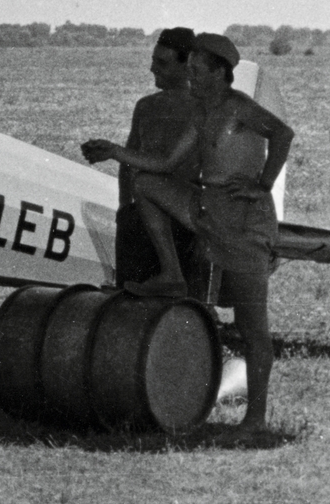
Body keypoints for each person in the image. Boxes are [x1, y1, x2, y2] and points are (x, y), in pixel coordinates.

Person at [86, 33, 292, 436]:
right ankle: (172, 273)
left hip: (245, 224)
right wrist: (114, 152)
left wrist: (263, 185)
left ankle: (256, 417)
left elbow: (283, 136)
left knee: (252, 326)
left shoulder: (240, 107)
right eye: (191, 69)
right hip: (208, 210)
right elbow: (164, 164)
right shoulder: (201, 112)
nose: (191, 77)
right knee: (146, 183)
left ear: (220, 73)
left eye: (198, 71)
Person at [82, 27, 200, 288]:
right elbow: (128, 162)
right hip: (139, 218)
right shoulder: (145, 106)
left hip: (183, 223)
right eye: (153, 60)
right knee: (130, 296)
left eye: (162, 63)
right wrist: (124, 210)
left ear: (187, 66)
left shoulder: (203, 110)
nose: (152, 69)